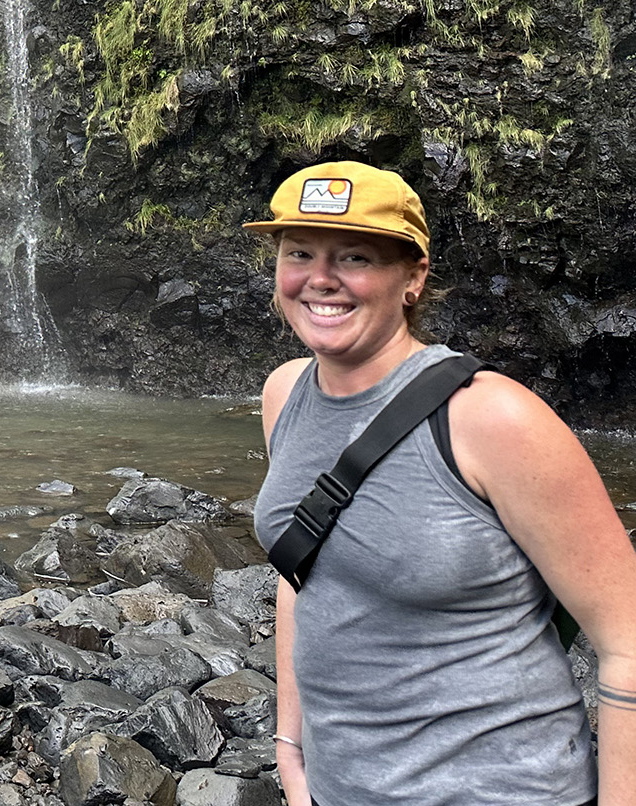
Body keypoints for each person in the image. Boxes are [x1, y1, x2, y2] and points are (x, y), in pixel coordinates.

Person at [244, 161, 635, 805]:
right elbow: (303, 570)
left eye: (356, 257)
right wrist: (290, 750)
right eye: (300, 253)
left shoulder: (492, 418)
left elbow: (628, 643)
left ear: (413, 278)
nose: (320, 279)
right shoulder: (284, 394)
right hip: (342, 787)